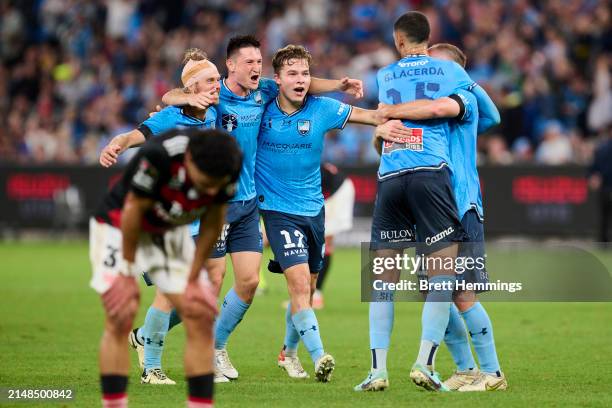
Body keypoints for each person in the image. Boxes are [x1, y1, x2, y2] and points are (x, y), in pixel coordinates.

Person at [161, 35, 365, 383]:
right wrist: (188, 96)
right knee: (208, 284)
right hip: (215, 205)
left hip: (248, 203)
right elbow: (169, 98)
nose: (256, 67)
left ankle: (219, 347)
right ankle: (154, 342)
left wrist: (339, 85)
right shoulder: (214, 94)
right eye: (250, 62)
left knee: (250, 282)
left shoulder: (265, 92)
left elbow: (299, 79)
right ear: (231, 65)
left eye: (259, 61)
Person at [256, 44, 402, 381]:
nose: (300, 79)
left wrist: (393, 119)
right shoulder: (261, 103)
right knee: (296, 283)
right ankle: (320, 355)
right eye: (292, 73)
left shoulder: (322, 109)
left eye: (305, 73)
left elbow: (370, 117)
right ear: (276, 79)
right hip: (276, 209)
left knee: (306, 288)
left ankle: (288, 353)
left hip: (314, 209)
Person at [371, 43, 507, 392]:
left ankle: (492, 373)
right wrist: (381, 132)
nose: (426, 71)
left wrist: (469, 84)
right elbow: (393, 143)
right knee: (433, 289)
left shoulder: (463, 100)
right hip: (430, 204)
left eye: (435, 65)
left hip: (461, 203)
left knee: (459, 292)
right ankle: (465, 369)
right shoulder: (423, 109)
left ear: (455, 71)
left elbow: (493, 116)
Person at [354, 11, 477, 392]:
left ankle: (377, 371)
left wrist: (387, 121)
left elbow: (383, 127)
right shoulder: (450, 72)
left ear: (399, 41)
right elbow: (453, 108)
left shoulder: (385, 75)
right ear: (429, 37)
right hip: (430, 175)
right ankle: (425, 362)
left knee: (382, 280)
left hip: (390, 176)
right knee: (441, 276)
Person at [90, 128, 241, 408]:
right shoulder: (160, 156)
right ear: (190, 162)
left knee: (199, 313)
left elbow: (212, 222)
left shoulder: (229, 164)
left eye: (214, 186)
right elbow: (133, 210)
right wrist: (125, 273)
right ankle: (114, 402)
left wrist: (194, 276)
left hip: (170, 228)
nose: (208, 192)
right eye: (204, 183)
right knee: (120, 313)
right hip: (119, 223)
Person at [99, 49, 220, 385]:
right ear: (192, 88)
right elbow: (135, 135)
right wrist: (116, 145)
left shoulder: (214, 113)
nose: (218, 86)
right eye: (210, 81)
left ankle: (142, 337)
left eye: (218, 79)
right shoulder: (169, 117)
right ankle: (151, 368)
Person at [311, 163, 356, 309]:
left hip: (338, 193)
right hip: (338, 191)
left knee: (324, 243)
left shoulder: (309, 167)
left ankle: (315, 295)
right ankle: (311, 294)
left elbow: (322, 189)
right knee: (322, 243)